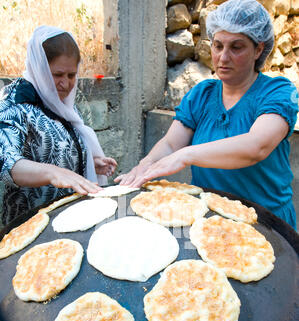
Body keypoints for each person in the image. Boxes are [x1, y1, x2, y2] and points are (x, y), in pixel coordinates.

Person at [116, 0, 299, 230]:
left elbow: (256, 146)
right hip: (211, 221)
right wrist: (144, 166)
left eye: (236, 47)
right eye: (218, 45)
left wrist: (186, 155)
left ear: (259, 49)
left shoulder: (277, 92)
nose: (223, 57)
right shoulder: (202, 95)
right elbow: (172, 144)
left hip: (266, 224)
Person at [0, 25, 117, 226]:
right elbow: (8, 163)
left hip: (66, 219)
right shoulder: (15, 104)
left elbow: (60, 146)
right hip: (29, 223)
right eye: (58, 74)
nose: (66, 83)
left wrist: (89, 160)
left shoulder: (60, 102)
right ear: (40, 68)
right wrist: (54, 173)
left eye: (71, 75)